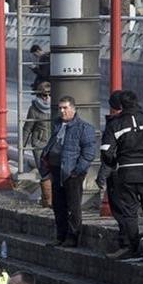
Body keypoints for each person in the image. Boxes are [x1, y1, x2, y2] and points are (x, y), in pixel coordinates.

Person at [102, 90, 143, 262]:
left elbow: (106, 151)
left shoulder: (115, 125)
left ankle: (134, 245)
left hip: (127, 172)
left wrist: (115, 162)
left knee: (129, 211)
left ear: (120, 106)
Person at [40, 96, 96, 248]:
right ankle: (61, 236)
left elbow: (89, 153)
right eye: (60, 108)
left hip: (72, 173)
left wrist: (77, 170)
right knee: (58, 205)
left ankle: (72, 237)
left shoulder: (84, 128)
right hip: (56, 170)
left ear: (73, 109)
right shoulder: (57, 125)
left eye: (65, 108)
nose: (62, 111)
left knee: (73, 206)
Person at [23, 81, 54, 206]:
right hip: (39, 145)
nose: (46, 98)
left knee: (54, 172)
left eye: (49, 95)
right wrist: (22, 147)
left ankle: (53, 199)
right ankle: (47, 201)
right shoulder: (34, 108)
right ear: (39, 95)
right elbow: (27, 128)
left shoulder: (56, 106)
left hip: (53, 145)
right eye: (44, 95)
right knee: (44, 172)